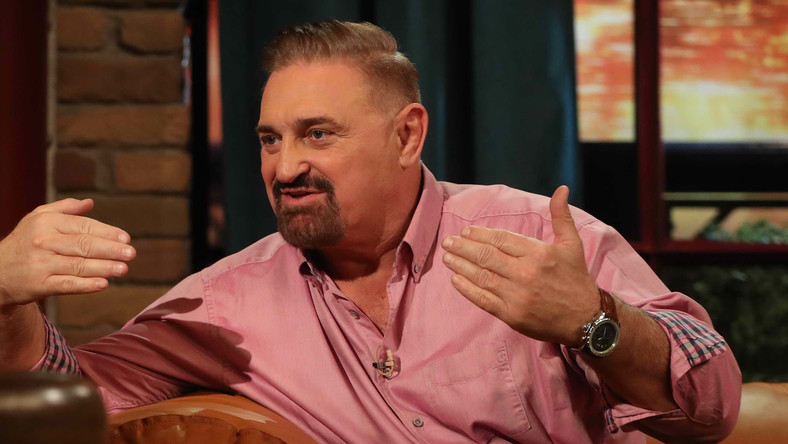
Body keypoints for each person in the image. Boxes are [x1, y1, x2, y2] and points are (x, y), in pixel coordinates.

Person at [0, 20, 740, 443]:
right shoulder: (226, 303)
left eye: (317, 133)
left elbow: (714, 396)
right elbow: (68, 409)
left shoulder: (532, 236)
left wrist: (594, 324)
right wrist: (7, 298)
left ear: (407, 135)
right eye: (269, 139)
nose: (285, 166)